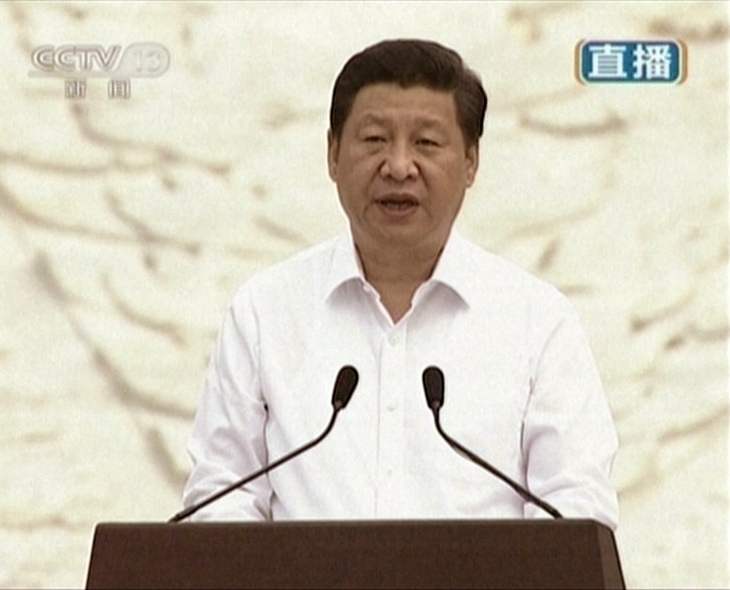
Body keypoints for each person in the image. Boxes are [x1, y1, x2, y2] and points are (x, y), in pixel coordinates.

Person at [180, 39, 619, 529]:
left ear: (471, 162)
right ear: (332, 154)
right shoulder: (264, 312)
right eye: (373, 140)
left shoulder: (537, 320)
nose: (398, 166)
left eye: (427, 143)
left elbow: (575, 510)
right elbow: (220, 497)